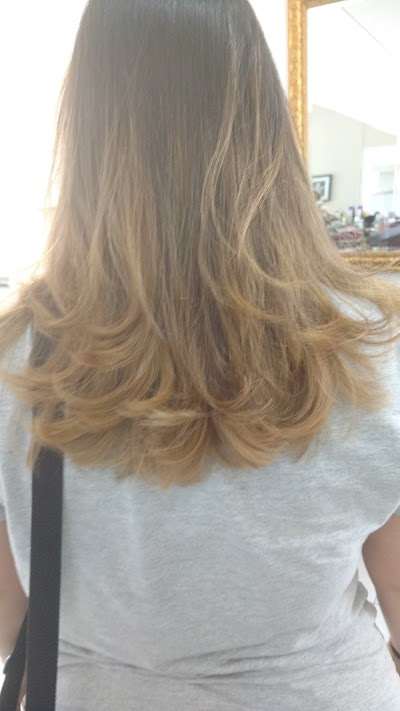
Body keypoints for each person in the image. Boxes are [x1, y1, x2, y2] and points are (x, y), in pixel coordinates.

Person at [1, 1, 400, 709]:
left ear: (86, 129)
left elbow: (9, 616)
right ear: (263, 120)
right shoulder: (371, 348)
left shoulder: (19, 359)